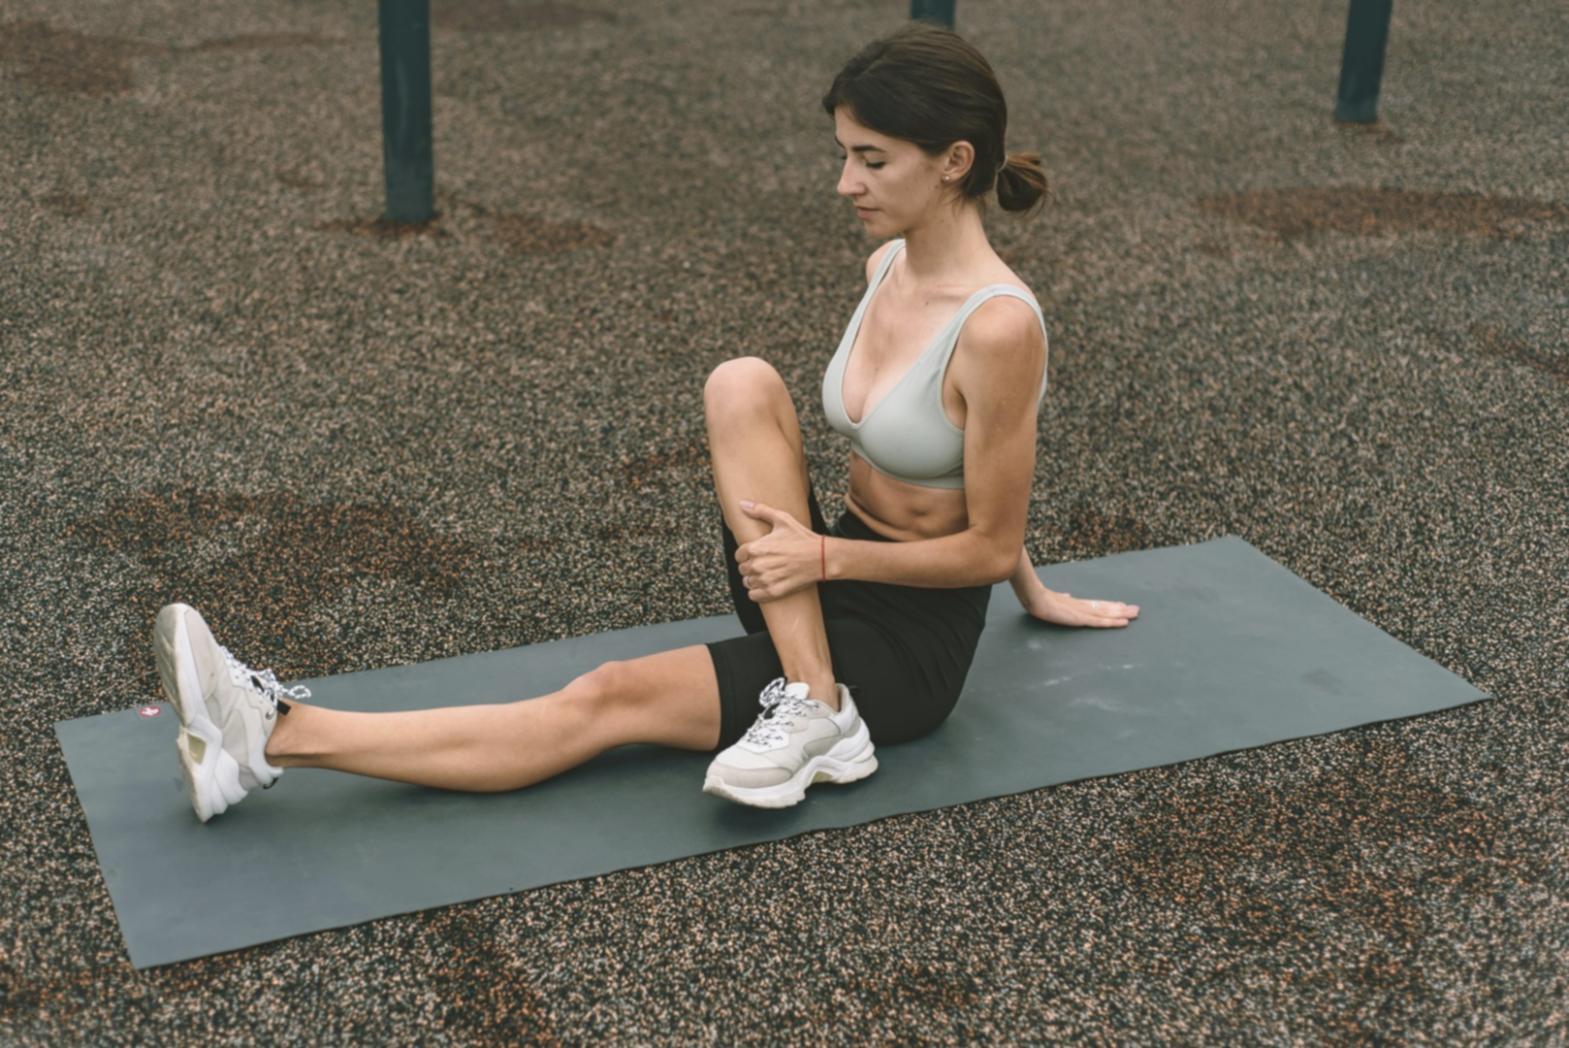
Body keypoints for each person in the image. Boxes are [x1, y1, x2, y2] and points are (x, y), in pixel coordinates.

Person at [153, 22, 1140, 823]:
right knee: (741, 381)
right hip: (809, 579)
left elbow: (986, 538)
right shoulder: (885, 267)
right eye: (843, 155)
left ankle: (272, 736)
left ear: (954, 161)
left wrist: (856, 564)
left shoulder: (1001, 326)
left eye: (871, 161)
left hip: (903, 642)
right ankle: (814, 702)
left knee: (609, 697)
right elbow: (975, 462)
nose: (845, 184)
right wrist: (865, 567)